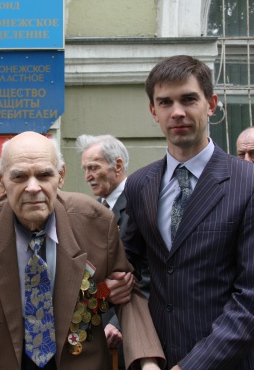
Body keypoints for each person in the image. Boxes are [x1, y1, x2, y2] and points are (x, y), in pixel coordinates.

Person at [0, 131, 166, 370]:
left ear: (61, 176)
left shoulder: (96, 221)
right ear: (0, 179)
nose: (33, 188)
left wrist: (148, 361)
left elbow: (127, 293)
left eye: (44, 175)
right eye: (19, 177)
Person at [122, 54, 254, 369]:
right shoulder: (140, 184)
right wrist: (142, 351)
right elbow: (128, 268)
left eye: (188, 99)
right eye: (165, 102)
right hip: (160, 359)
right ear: (154, 111)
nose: (177, 112)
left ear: (211, 104)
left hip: (230, 362)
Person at [75, 134, 150, 370]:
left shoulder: (141, 204)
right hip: (95, 327)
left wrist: (118, 323)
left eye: (93, 167)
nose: (87, 176)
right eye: (85, 169)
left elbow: (147, 276)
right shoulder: (94, 210)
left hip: (129, 330)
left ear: (117, 165)